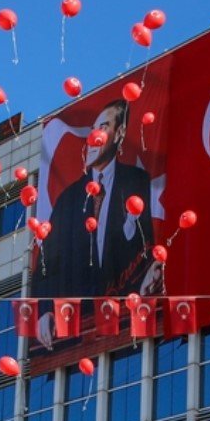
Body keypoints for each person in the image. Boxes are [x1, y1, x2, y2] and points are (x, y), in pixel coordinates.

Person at [32, 99, 157, 347]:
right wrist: (45, 309)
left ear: (120, 133)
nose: (94, 137)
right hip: (74, 332)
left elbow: (148, 243)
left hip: (126, 326)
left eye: (104, 127)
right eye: (92, 129)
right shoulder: (68, 199)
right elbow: (46, 263)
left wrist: (151, 271)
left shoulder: (136, 181)